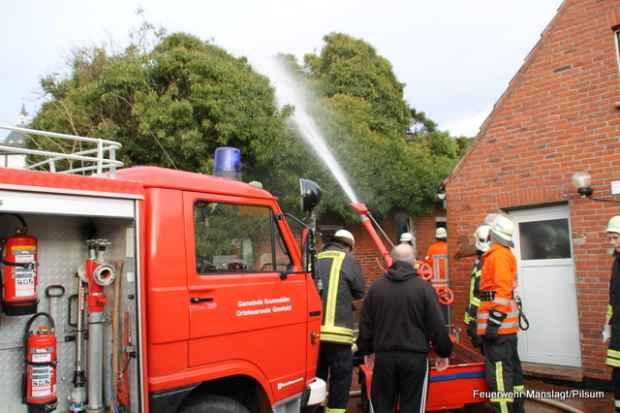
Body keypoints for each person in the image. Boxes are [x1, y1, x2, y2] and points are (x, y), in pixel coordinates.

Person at [357, 243, 452, 413]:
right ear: (414, 262)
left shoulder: (376, 288)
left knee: (382, 406)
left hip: (385, 359)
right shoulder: (424, 288)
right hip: (415, 359)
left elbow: (365, 323)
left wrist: (367, 350)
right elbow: (437, 324)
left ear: (392, 261)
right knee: (412, 407)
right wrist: (443, 352)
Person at [476, 214, 524, 413]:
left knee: (499, 378)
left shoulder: (498, 256)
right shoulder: (503, 254)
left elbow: (502, 292)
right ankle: (517, 409)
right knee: (512, 372)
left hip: (499, 331)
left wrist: (493, 324)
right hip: (506, 330)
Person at [316, 229, 365, 413]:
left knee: (317, 378)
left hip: (315, 334)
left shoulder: (316, 259)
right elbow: (360, 291)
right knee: (341, 378)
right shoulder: (348, 259)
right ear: (348, 246)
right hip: (339, 334)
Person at [603, 216, 620, 413]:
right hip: (617, 326)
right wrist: (607, 323)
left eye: (615, 237)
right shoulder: (617, 261)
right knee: (617, 371)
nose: (612, 242)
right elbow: (613, 297)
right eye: (610, 238)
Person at [464, 224, 490, 350]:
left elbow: (481, 294)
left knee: (490, 355)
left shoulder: (485, 263)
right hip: (483, 317)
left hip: (483, 318)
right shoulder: (482, 261)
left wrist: (472, 316)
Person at [426, 227, 450, 321]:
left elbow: (427, 267)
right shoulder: (448, 248)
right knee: (447, 306)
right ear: (445, 237)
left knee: (437, 307)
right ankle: (447, 324)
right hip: (447, 284)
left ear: (436, 237)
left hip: (435, 285)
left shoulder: (431, 249)